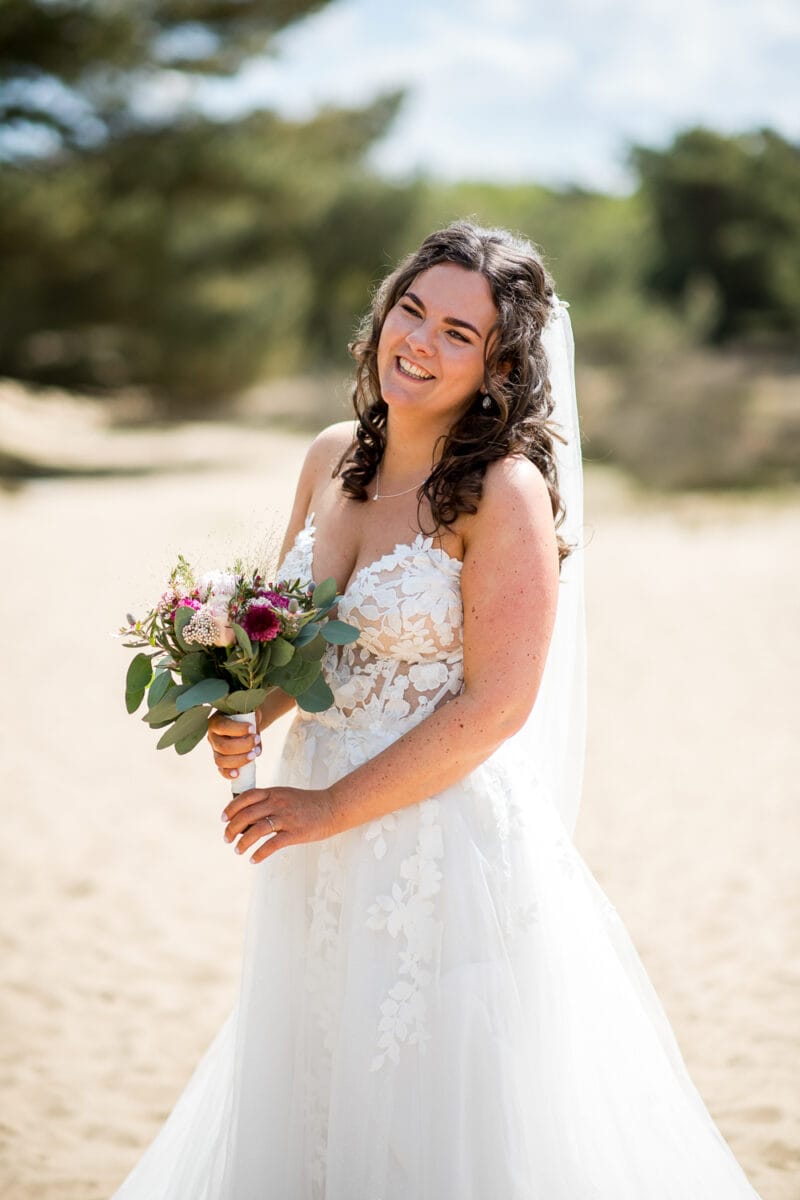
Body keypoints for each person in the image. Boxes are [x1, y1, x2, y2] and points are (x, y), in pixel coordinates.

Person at [112, 222, 762, 1198]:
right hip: (310, 825)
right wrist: (240, 701)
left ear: (498, 363)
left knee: (429, 1104)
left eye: (457, 332)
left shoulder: (502, 494)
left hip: (435, 840)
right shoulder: (330, 456)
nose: (416, 342)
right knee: (313, 1077)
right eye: (410, 311)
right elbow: (298, 639)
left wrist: (333, 808)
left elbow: (499, 703)